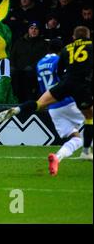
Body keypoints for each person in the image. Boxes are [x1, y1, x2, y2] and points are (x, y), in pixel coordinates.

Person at [0, 26, 93, 166]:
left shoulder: (41, 62)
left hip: (53, 103)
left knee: (40, 106)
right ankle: (86, 151)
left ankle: (57, 157)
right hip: (70, 98)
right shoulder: (67, 55)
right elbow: (62, 73)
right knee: (90, 118)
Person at [36, 39, 86, 175]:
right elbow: (67, 81)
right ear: (61, 49)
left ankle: (57, 158)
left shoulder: (39, 63)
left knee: (76, 138)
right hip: (67, 101)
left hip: (53, 108)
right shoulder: (59, 60)